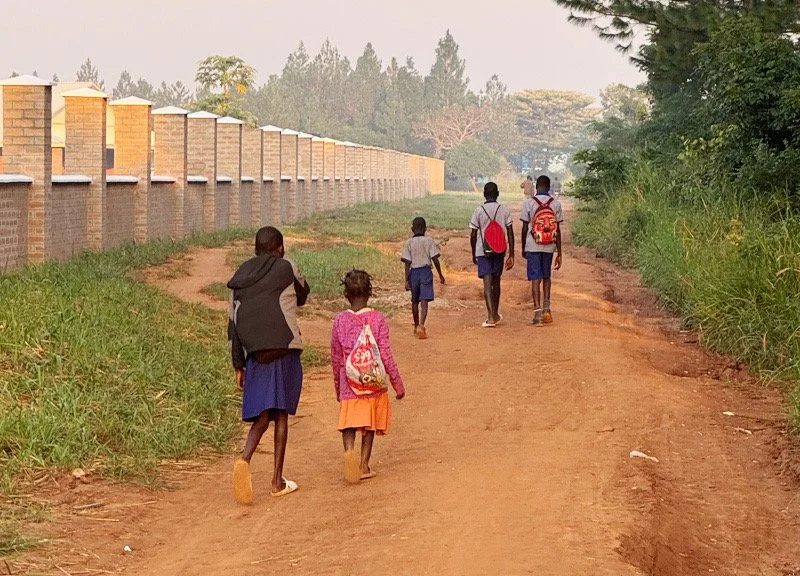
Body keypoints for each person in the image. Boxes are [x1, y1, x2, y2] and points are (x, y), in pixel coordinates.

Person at [228, 226, 310, 503]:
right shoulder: (287, 266)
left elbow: (233, 325)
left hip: (256, 355)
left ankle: (245, 459)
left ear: (255, 248)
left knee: (263, 415)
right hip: (284, 347)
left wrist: (239, 365)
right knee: (282, 413)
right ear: (280, 248)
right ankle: (276, 481)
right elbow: (303, 295)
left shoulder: (238, 278)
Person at [331, 270, 405, 484]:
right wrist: (397, 383)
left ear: (346, 293)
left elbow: (336, 357)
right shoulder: (378, 318)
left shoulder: (340, 321)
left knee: (349, 424)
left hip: (349, 383)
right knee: (369, 424)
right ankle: (363, 465)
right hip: (373, 383)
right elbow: (385, 353)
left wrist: (339, 387)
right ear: (370, 292)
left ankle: (349, 452)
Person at [469, 181, 515, 328]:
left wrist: (473, 253)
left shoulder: (479, 210)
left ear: (484, 194)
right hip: (499, 250)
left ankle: (490, 317)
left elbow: (473, 234)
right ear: (498, 194)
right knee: (496, 282)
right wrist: (511, 253)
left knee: (487, 283)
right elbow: (510, 232)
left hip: (483, 251)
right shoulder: (504, 209)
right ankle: (495, 313)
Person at [520, 175, 564, 326]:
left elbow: (525, 227)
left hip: (533, 244)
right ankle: (547, 309)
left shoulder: (529, 203)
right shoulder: (556, 204)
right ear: (549, 186)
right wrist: (559, 252)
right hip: (549, 245)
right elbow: (557, 229)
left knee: (535, 278)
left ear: (537, 186)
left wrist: (523, 247)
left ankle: (537, 314)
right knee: (546, 277)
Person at [401, 217, 446, 340]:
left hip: (414, 273)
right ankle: (421, 325)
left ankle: (416, 326)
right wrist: (440, 275)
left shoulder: (409, 243)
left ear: (412, 229)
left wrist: (406, 280)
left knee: (414, 301)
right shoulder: (429, 241)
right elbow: (435, 259)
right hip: (426, 272)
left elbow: (406, 263)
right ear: (425, 229)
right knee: (424, 300)